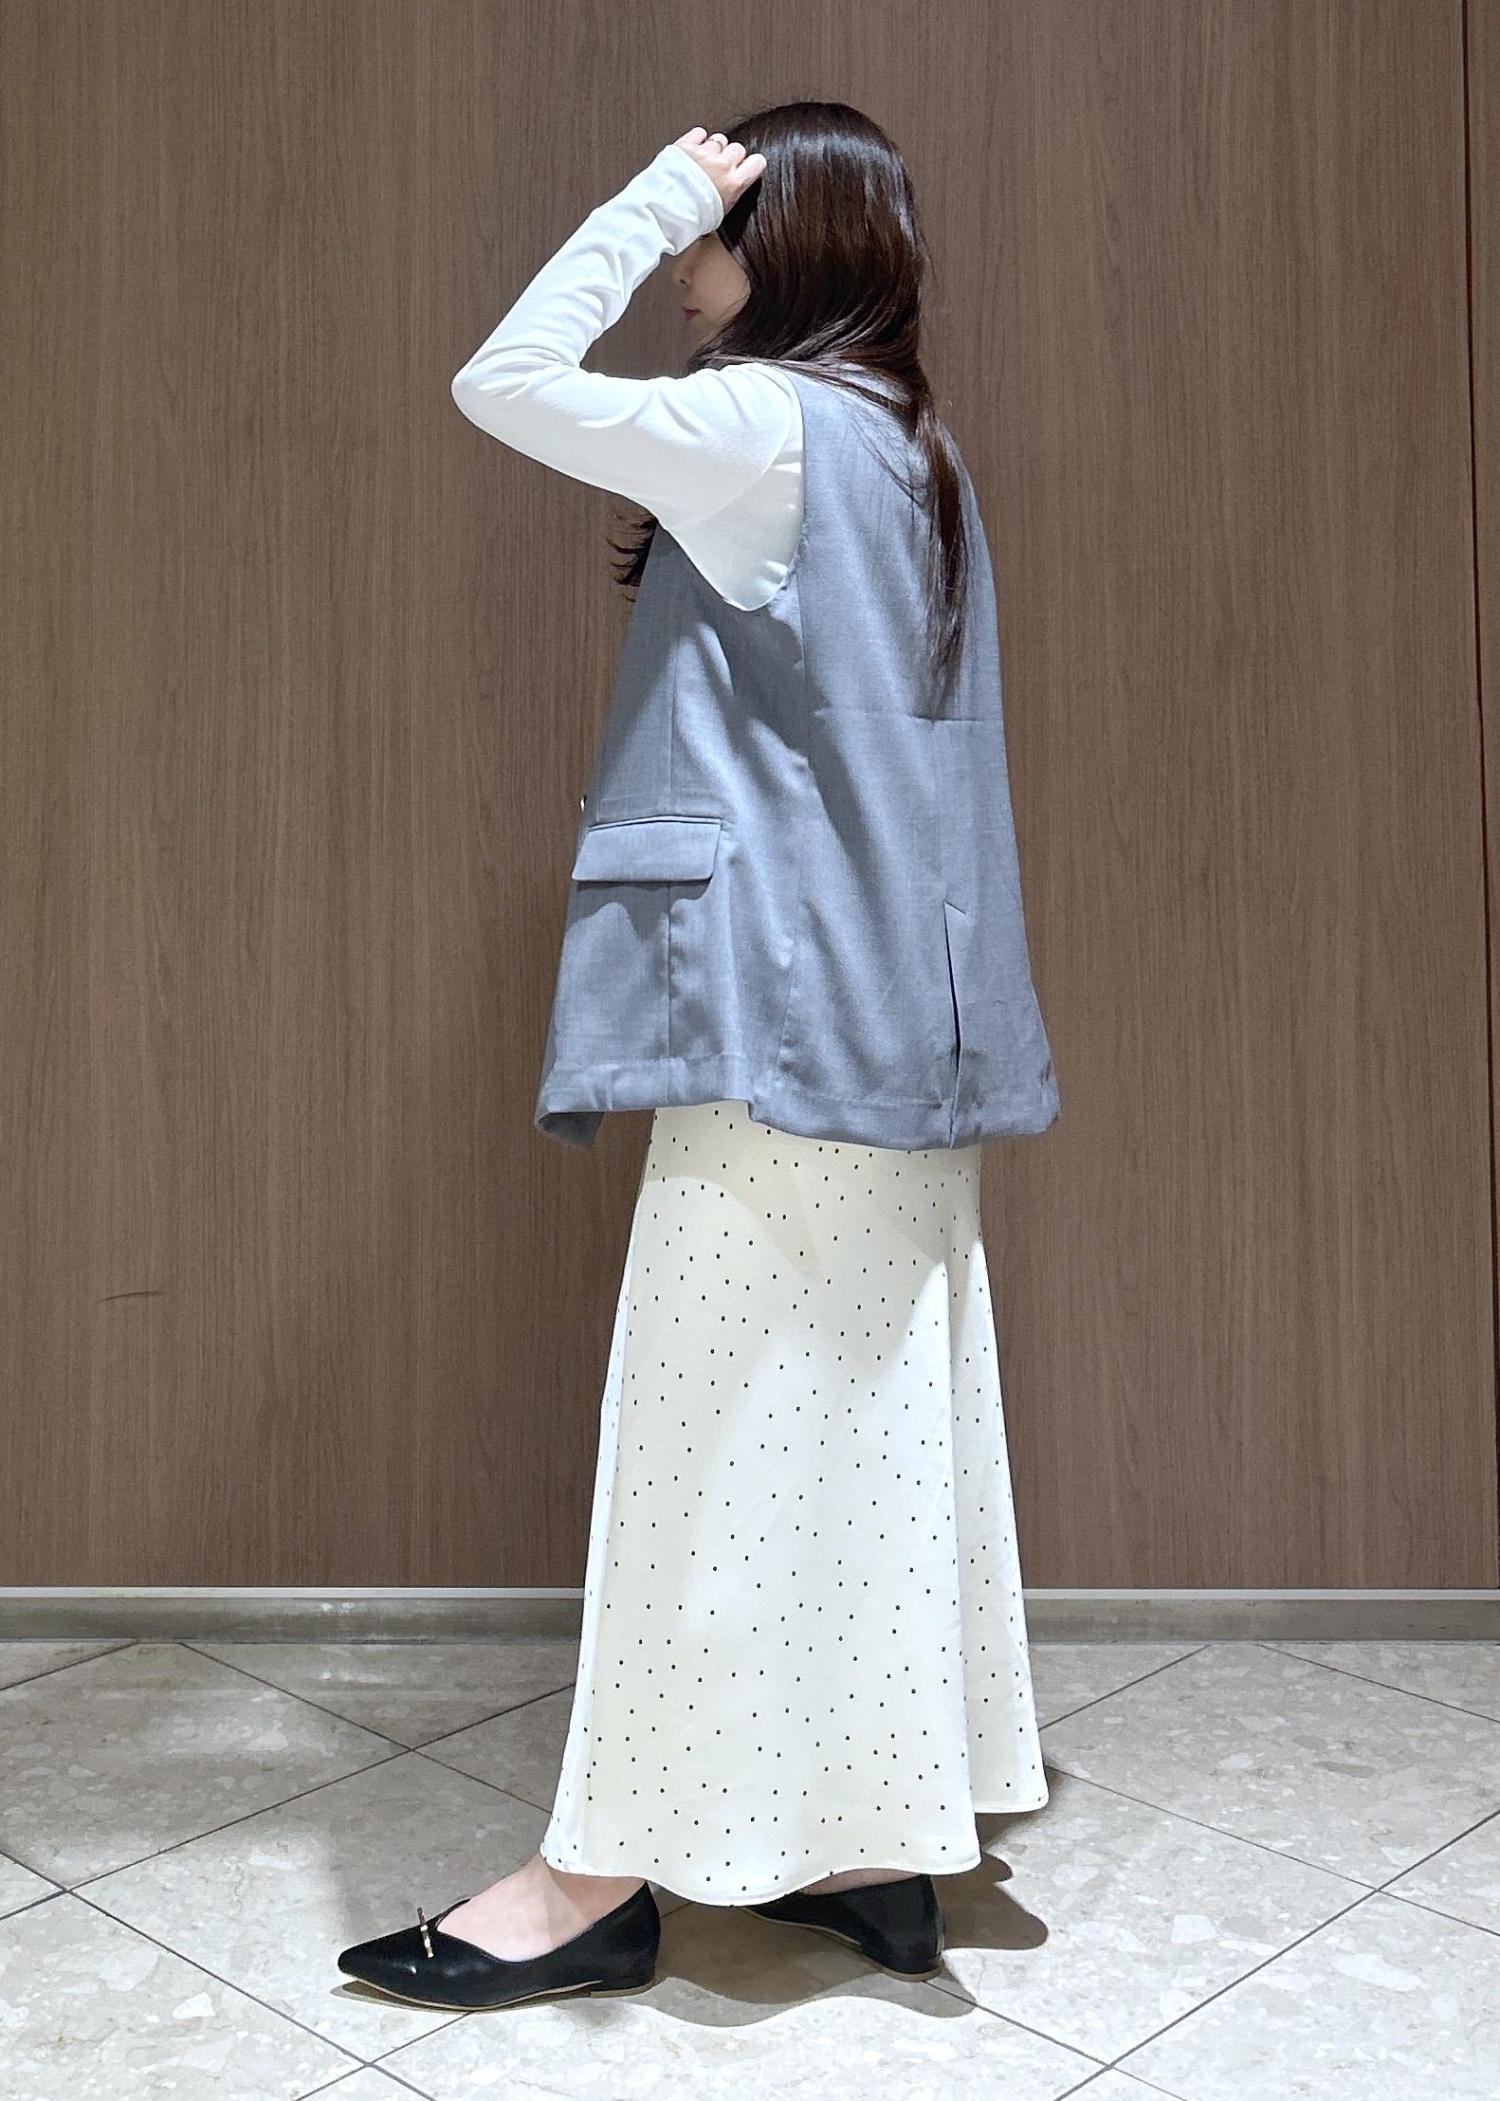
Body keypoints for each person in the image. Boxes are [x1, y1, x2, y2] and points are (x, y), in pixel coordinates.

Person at [338, 103, 1059, 2014]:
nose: (686, 266)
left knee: (702, 1442)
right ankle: (867, 1848)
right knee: (864, 1429)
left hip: (779, 1031)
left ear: (786, 242)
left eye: (719, 231)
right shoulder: (915, 447)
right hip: (907, 1031)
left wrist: (655, 182)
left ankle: (590, 1883)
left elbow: (501, 379)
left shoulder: (766, 428)